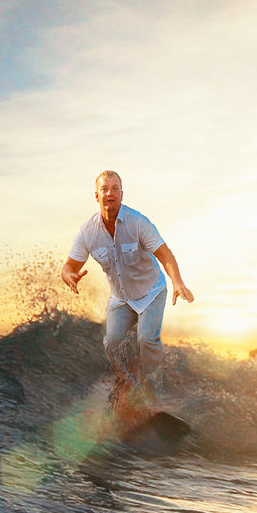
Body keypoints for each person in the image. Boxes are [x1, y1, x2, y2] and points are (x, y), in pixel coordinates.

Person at [62, 170, 193, 402]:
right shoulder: (88, 233)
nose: (109, 193)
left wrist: (178, 282)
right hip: (121, 300)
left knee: (146, 340)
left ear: (122, 194)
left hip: (150, 292)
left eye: (114, 189)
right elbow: (69, 266)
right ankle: (132, 390)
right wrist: (69, 275)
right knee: (111, 345)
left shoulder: (138, 222)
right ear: (96, 196)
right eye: (104, 189)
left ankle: (154, 400)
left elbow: (165, 255)